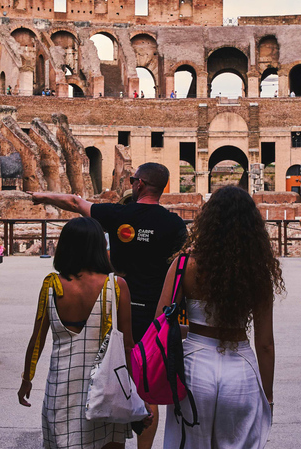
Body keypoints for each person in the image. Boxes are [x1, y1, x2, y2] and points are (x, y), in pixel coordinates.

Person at [32, 162, 187, 449]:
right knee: (148, 387)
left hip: (117, 306)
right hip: (155, 315)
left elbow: (74, 202)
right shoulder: (175, 224)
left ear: (139, 184)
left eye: (132, 179)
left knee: (107, 371)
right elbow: (179, 267)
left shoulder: (119, 214)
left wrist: (41, 197)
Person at [156, 186, 282, 448]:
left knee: (189, 442)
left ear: (209, 220)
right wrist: (267, 394)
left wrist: (191, 330)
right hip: (240, 368)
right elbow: (265, 343)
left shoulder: (185, 264)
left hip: (194, 365)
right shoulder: (258, 271)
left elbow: (160, 320)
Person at [17, 217, 141, 448]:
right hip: (107, 390)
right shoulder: (115, 286)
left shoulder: (52, 285)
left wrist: (27, 379)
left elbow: (37, 340)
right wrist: (134, 390)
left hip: (62, 388)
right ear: (99, 247)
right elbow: (128, 345)